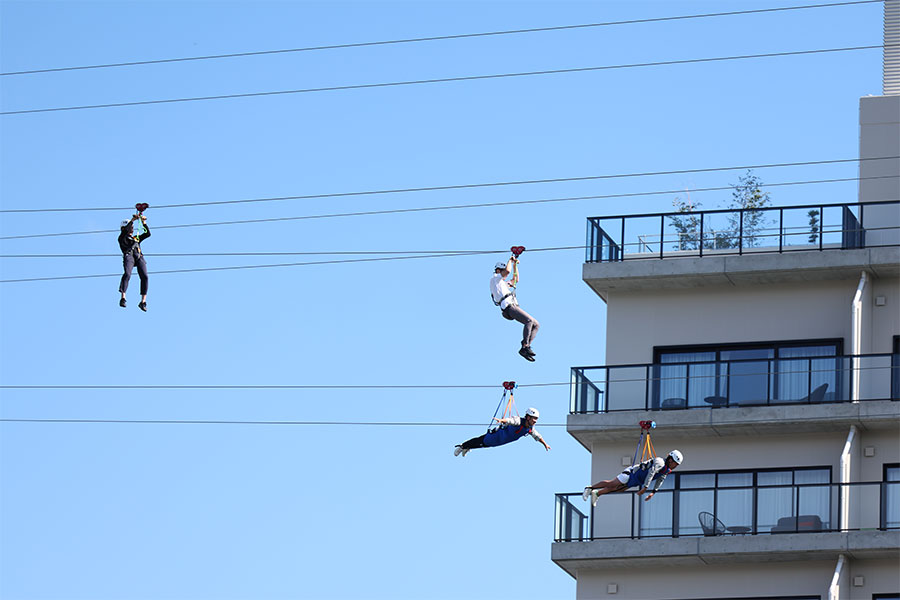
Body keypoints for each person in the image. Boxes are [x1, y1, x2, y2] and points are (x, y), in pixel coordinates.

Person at [582, 450, 683, 505]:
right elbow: (651, 473)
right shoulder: (660, 462)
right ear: (670, 460)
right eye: (675, 463)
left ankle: (597, 493)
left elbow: (661, 479)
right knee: (612, 484)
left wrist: (653, 492)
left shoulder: (667, 470)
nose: (675, 466)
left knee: (618, 490)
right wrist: (645, 487)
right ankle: (589, 488)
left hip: (637, 480)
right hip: (631, 474)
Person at [489, 258, 540, 361]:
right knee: (529, 321)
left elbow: (515, 279)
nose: (506, 274)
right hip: (508, 306)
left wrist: (515, 266)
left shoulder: (502, 283)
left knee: (536, 324)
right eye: (502, 271)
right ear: (498, 270)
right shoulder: (495, 279)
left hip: (513, 306)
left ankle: (525, 347)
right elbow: (507, 271)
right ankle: (525, 345)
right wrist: (510, 261)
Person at [454, 407, 551, 456]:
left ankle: (467, 447)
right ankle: (462, 446)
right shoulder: (518, 421)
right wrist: (501, 421)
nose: (535, 421)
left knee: (483, 445)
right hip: (496, 436)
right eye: (533, 419)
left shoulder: (530, 429)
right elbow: (509, 420)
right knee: (480, 441)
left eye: (536, 419)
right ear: (528, 417)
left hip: (500, 441)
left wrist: (545, 444)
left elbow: (537, 436)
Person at [118, 214, 151, 311]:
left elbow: (147, 234)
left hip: (138, 257)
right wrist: (132, 220)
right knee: (127, 274)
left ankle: (143, 301)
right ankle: (123, 297)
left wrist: (143, 222)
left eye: (132, 227)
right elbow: (125, 231)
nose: (132, 229)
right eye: (130, 227)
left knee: (145, 276)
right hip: (129, 256)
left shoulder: (136, 239)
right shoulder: (121, 238)